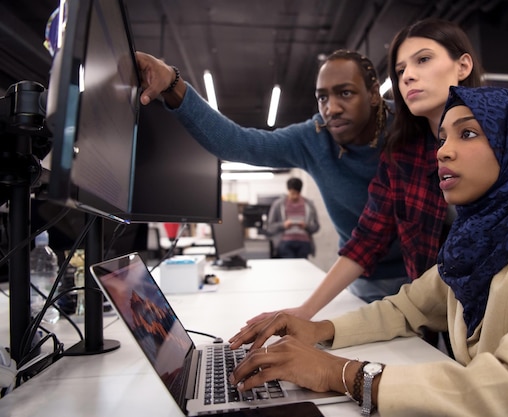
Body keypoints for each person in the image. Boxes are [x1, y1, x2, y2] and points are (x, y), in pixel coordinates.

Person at [227, 86, 508, 417]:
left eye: (467, 134)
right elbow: (409, 306)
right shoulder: (484, 234)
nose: (443, 151)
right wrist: (319, 331)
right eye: (442, 138)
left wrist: (343, 373)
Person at [245, 17, 508, 323]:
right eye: (400, 68)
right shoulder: (402, 155)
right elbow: (367, 240)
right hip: (449, 311)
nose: (407, 75)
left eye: (422, 60)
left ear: (462, 65)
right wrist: (305, 313)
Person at [136, 49, 410, 302]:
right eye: (323, 97)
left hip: (427, 270)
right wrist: (173, 83)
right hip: (365, 278)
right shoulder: (314, 137)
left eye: (346, 93)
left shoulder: (411, 125)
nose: (332, 108)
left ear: (374, 93)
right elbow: (236, 142)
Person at [266, 177, 320, 258]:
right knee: (289, 267)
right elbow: (270, 227)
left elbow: (316, 226)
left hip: (304, 243)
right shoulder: (278, 205)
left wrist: (306, 226)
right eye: (292, 193)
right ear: (288, 191)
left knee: (302, 268)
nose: (294, 196)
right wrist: (283, 225)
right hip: (285, 242)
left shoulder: (309, 205)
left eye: (297, 193)